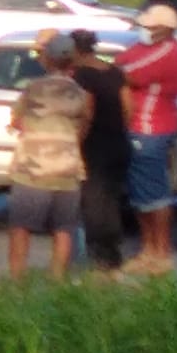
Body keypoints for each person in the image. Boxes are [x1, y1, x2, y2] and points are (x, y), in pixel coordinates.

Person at [6, 33, 91, 280]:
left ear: (48, 58)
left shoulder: (33, 88)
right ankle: (57, 281)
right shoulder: (80, 94)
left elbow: (17, 121)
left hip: (32, 170)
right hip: (67, 170)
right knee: (63, 229)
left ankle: (17, 282)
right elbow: (84, 125)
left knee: (20, 227)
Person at [115, 3, 177, 275]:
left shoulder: (167, 53)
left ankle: (161, 251)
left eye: (149, 27)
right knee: (141, 194)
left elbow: (124, 71)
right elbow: (121, 61)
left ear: (165, 30)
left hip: (151, 128)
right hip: (139, 128)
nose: (143, 31)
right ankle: (149, 250)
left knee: (154, 193)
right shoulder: (144, 48)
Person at [69, 28, 130, 272]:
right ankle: (113, 251)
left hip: (95, 145)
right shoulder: (114, 72)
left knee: (93, 200)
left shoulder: (83, 75)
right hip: (118, 142)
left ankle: (100, 253)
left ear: (76, 50)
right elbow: (128, 107)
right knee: (111, 198)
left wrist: (77, 142)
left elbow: (87, 112)